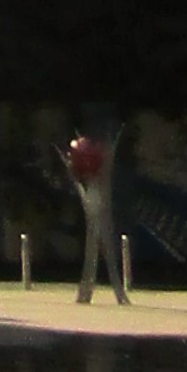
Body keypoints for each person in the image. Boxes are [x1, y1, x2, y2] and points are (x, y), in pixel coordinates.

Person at [65, 127, 119, 305]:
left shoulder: (94, 175)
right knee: (96, 251)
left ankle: (90, 293)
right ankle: (88, 293)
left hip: (96, 203)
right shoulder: (90, 177)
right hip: (94, 202)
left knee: (99, 251)